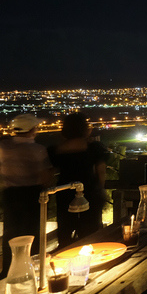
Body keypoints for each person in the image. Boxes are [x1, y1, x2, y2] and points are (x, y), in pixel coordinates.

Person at [0, 114, 54, 279]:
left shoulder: (4, 146)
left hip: (9, 195)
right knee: (33, 233)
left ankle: (8, 271)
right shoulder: (37, 149)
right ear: (31, 129)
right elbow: (46, 176)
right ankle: (33, 270)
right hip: (31, 195)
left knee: (11, 234)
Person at [48, 112, 108, 248]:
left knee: (65, 232)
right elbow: (101, 171)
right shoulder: (94, 149)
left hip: (64, 193)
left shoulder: (55, 150)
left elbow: (49, 174)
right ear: (84, 129)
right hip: (90, 192)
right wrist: (101, 189)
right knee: (91, 233)